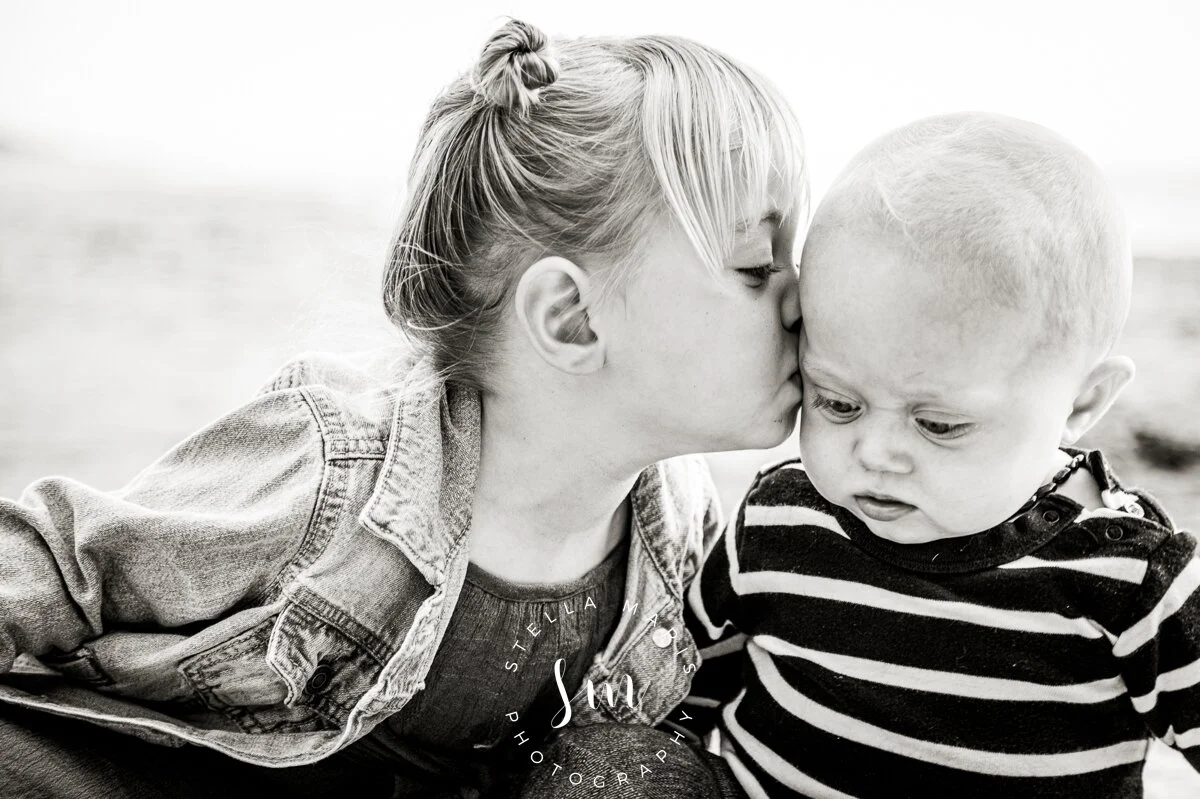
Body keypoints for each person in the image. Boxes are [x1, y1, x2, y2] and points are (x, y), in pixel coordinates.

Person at [0, 18, 807, 799]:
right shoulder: (344, 468)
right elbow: (53, 565)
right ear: (571, 318)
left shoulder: (681, 526)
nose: (802, 298)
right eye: (756, 265)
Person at [685, 112, 1200, 797]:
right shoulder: (779, 522)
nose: (875, 453)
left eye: (938, 424)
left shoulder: (1131, 580)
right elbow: (681, 695)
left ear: (1080, 404)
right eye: (837, 402)